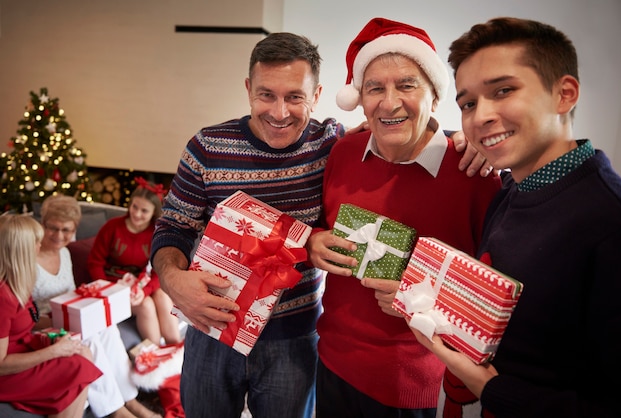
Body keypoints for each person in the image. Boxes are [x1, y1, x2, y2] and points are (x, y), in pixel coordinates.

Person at [151, 31, 489, 418]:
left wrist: (470, 139)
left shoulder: (332, 144)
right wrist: (173, 281)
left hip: (295, 337)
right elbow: (172, 227)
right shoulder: (208, 147)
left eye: (295, 97)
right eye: (266, 95)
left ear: (317, 95)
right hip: (212, 328)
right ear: (248, 89)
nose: (279, 112)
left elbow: (400, 130)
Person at [407, 17, 621, 418]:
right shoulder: (511, 190)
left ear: (564, 94)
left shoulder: (612, 224)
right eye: (469, 103)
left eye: (503, 91)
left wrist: (491, 389)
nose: (480, 117)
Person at [305, 17, 502, 418]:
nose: (389, 102)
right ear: (360, 99)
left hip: (419, 386)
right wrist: (313, 243)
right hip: (333, 367)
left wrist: (422, 299)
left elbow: (497, 295)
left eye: (407, 85)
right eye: (375, 88)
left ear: (434, 96)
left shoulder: (475, 173)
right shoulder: (342, 153)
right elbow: (319, 230)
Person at [32, 194, 162, 418]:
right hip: (44, 325)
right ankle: (116, 411)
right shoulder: (29, 257)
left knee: (108, 327)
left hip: (70, 319)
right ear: (42, 224)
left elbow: (72, 294)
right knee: (87, 338)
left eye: (66, 230)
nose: (59, 236)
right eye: (53, 228)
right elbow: (27, 315)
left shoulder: (65, 252)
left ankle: (130, 400)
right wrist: (66, 320)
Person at [0, 214, 101, 418]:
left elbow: (29, 322)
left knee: (83, 352)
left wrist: (59, 334)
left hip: (23, 347)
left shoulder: (19, 281)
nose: (41, 245)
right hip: (7, 373)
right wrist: (54, 351)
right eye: (37, 242)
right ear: (23, 251)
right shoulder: (3, 296)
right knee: (77, 366)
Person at [89, 178, 182, 346]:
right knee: (145, 305)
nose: (137, 214)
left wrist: (144, 290)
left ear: (154, 212)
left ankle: (174, 348)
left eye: (144, 211)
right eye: (134, 207)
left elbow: (158, 271)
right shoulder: (112, 227)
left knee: (161, 295)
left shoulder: (156, 233)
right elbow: (95, 263)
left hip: (138, 284)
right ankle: (153, 353)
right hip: (111, 284)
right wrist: (107, 289)